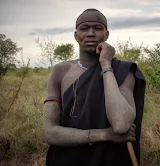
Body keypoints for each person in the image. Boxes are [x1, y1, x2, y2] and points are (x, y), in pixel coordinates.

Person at [43, 8, 146, 166]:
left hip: (110, 159)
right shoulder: (60, 71)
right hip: (67, 159)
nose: (91, 33)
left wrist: (105, 64)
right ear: (76, 35)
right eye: (84, 28)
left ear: (107, 34)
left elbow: (121, 124)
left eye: (98, 28)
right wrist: (105, 135)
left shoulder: (123, 71)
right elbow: (50, 133)